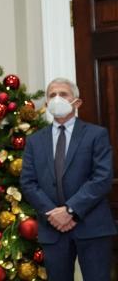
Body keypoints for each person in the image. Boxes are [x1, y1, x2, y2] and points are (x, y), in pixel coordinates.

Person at [20, 77, 116, 281]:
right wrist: (53, 215)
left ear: (77, 102)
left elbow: (102, 178)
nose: (57, 99)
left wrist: (70, 211)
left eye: (63, 94)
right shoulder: (34, 141)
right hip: (52, 229)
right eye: (52, 95)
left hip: (92, 227)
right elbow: (28, 182)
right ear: (46, 104)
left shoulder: (96, 135)